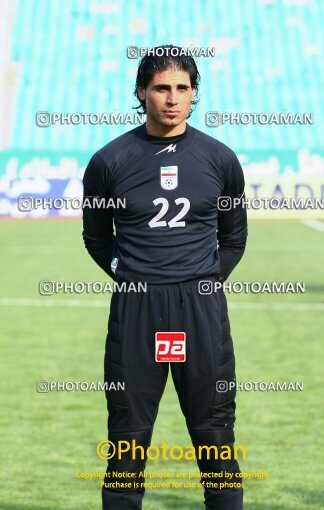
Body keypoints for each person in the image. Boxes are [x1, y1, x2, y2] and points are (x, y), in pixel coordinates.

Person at [82, 44, 247, 510]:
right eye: (161, 88)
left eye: (182, 88)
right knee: (127, 443)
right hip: (137, 309)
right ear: (141, 91)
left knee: (215, 437)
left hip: (200, 309)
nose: (172, 98)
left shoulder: (220, 159)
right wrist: (136, 277)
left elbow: (233, 239)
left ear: (195, 94)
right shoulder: (109, 161)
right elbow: (96, 239)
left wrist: (201, 282)